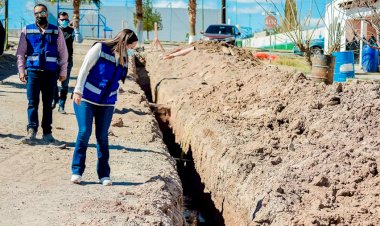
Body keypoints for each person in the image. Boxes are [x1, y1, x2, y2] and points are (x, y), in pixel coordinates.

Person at [71, 29, 138, 186]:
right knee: (84, 132)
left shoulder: (125, 58)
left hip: (107, 103)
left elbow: (119, 80)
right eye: (130, 47)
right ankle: (77, 171)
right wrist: (78, 90)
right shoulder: (100, 48)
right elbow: (84, 69)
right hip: (87, 98)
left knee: (102, 136)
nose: (130, 51)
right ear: (123, 42)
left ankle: (104, 175)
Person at [16, 3, 68, 144]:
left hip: (50, 73)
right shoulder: (27, 30)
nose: (40, 15)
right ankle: (31, 132)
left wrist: (63, 71)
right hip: (33, 72)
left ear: (47, 13)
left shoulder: (57, 31)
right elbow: (20, 53)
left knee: (48, 104)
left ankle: (47, 134)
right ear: (34, 15)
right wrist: (22, 71)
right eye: (37, 13)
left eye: (42, 12)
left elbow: (63, 53)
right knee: (32, 103)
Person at [52, 11, 83, 114]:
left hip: (67, 61)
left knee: (64, 85)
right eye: (62, 20)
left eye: (66, 19)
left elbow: (79, 40)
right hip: (54, 61)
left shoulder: (71, 31)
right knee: (53, 82)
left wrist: (76, 28)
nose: (64, 21)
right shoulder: (54, 30)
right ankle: (54, 99)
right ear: (58, 20)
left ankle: (61, 105)